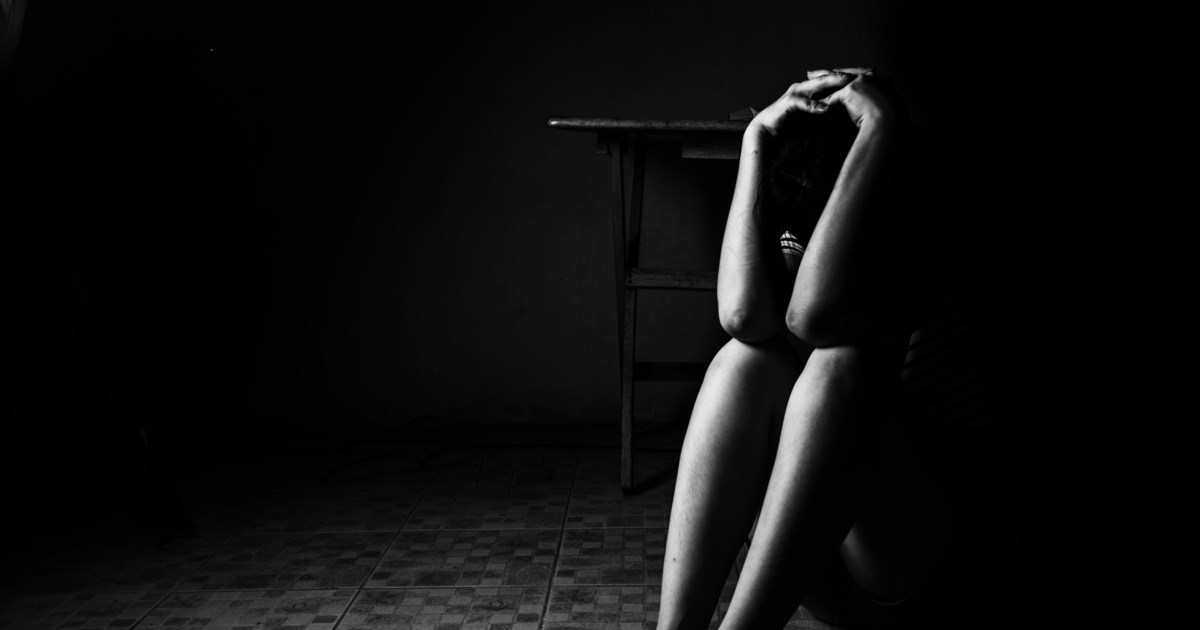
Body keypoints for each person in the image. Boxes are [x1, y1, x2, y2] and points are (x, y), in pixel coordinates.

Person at [655, 68, 1018, 630]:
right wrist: (755, 138)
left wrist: (883, 125)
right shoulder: (804, 238)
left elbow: (814, 316)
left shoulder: (941, 242)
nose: (797, 249)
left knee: (838, 367)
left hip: (939, 579)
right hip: (826, 565)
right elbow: (742, 316)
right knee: (743, 361)